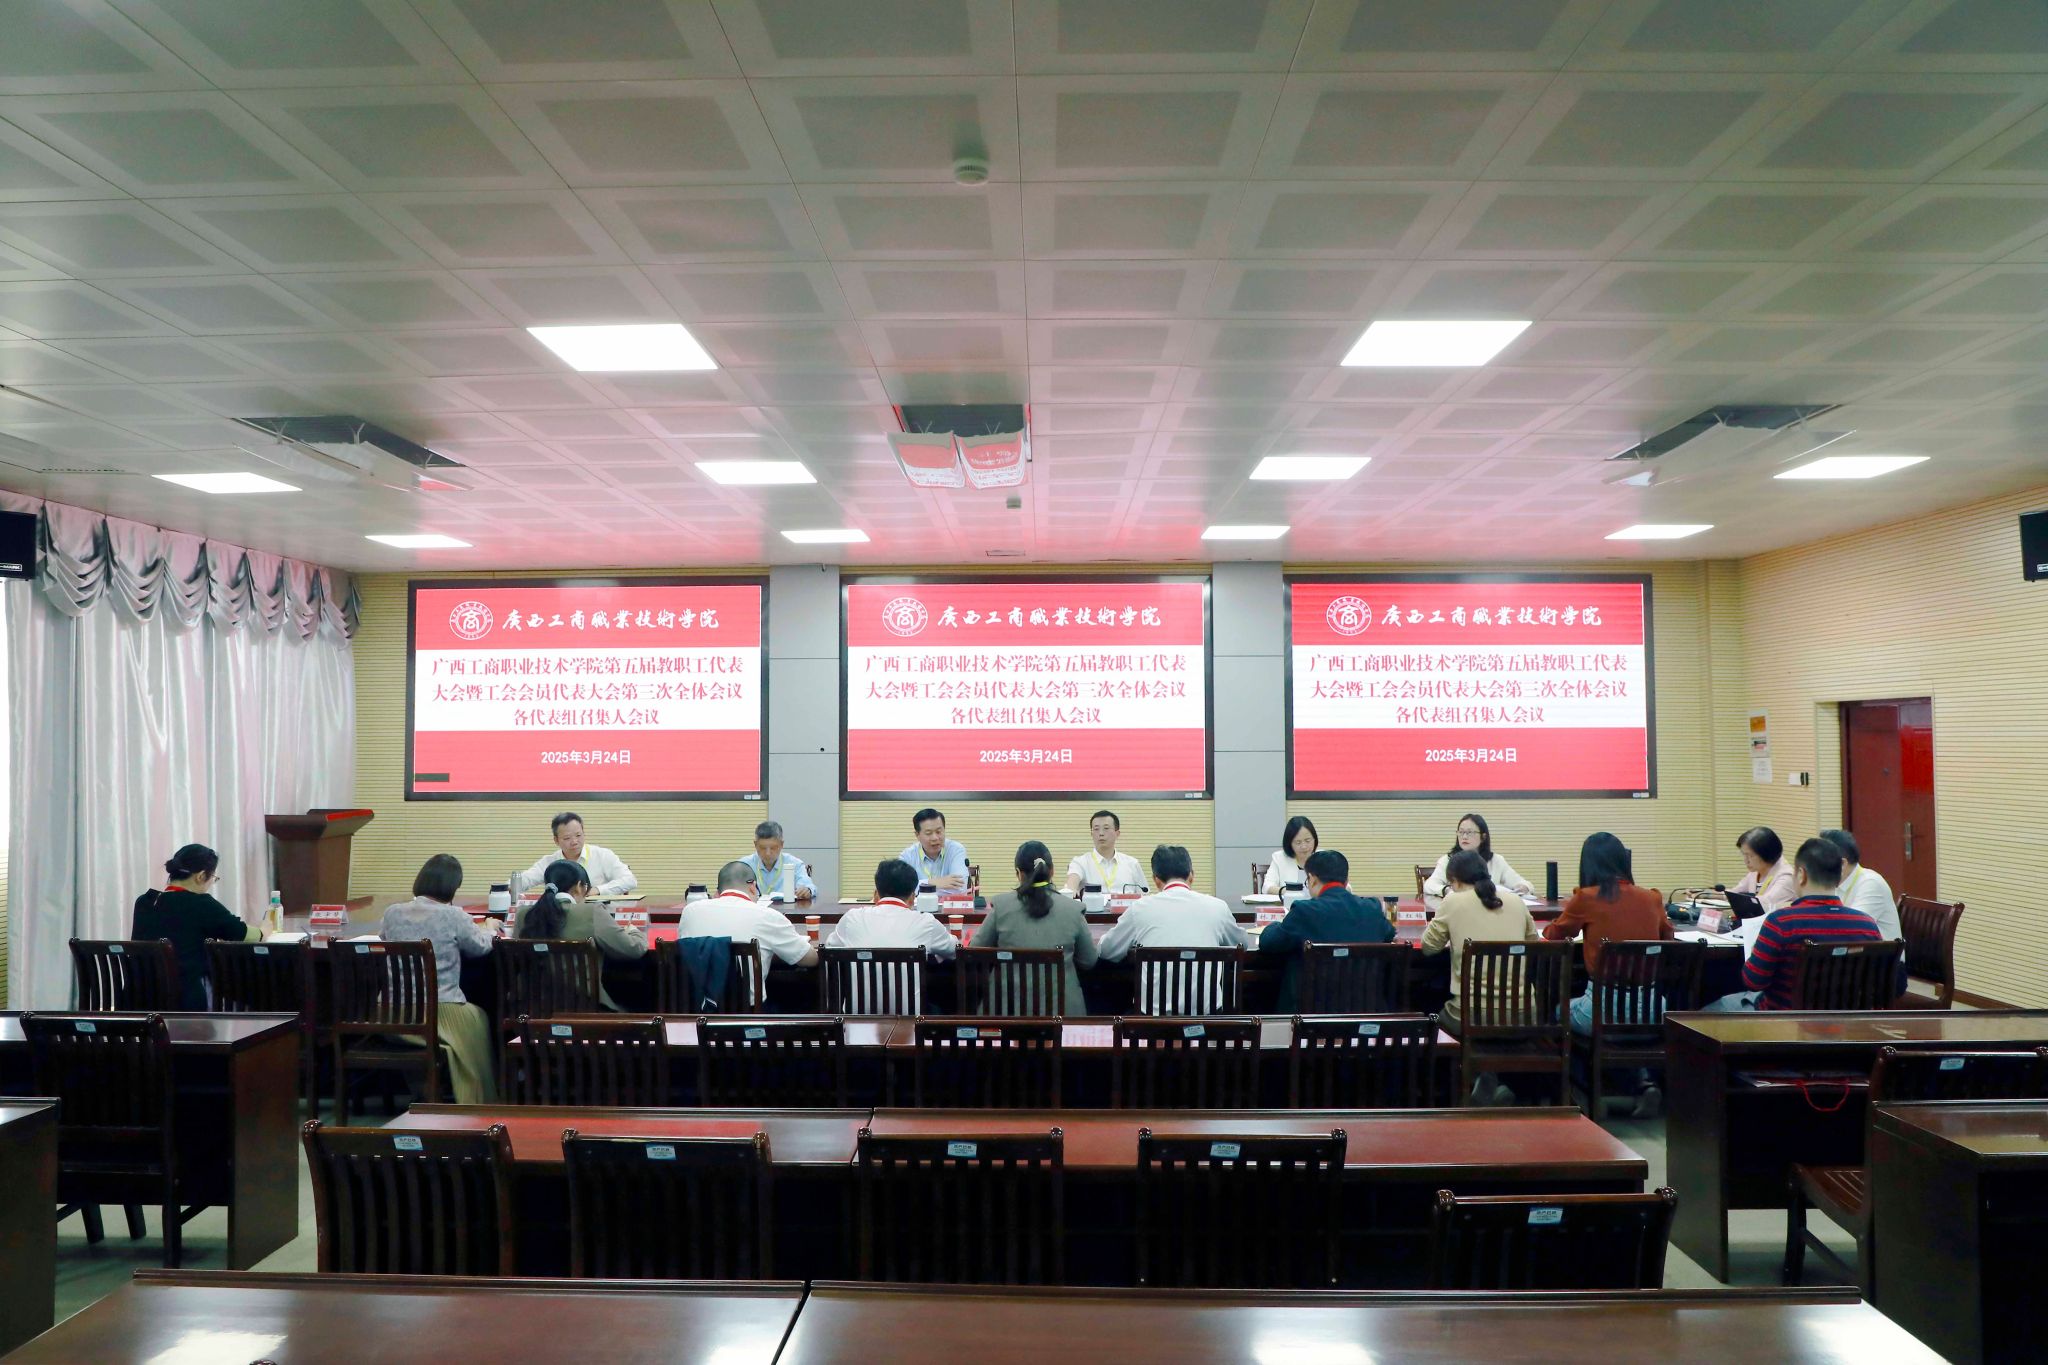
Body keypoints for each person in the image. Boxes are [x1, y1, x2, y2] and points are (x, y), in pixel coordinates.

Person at [1544, 833, 1674, 1118]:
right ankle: (1644, 1083)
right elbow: (1668, 938)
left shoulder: (1586, 898)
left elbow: (1553, 935)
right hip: (1653, 1010)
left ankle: (1582, 1092)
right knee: (1625, 1032)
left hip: (1603, 1009)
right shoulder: (1652, 898)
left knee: (1557, 1013)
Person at [1706, 837, 1882, 1012]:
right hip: (1848, 1024)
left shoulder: (1781, 922)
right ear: (1839, 876)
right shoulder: (1867, 925)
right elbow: (1880, 983)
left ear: (1801, 875)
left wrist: (1754, 951)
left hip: (1784, 1022)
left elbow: (1753, 981)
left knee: (1708, 1013)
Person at [1419, 848, 1538, 1105]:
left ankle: (1466, 1085)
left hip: (1470, 1014)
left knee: (1432, 1015)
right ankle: (1489, 1080)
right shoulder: (1516, 902)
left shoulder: (1453, 901)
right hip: (1522, 1013)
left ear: (1455, 881)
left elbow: (1428, 948)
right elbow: (1534, 944)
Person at [379, 854, 498, 1103]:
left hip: (392, 1014)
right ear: (452, 887)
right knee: (480, 1018)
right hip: (440, 1012)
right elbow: (480, 948)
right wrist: (489, 929)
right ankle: (476, 1099)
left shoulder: (392, 913)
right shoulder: (454, 916)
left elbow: (383, 938)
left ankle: (422, 1093)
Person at [1254, 849, 1394, 1011]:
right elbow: (1389, 933)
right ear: (1346, 880)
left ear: (1312, 879)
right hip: (1365, 1015)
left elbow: (1268, 942)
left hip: (1310, 1018)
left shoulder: (1304, 911)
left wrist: (1276, 925)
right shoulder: (1371, 908)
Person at [976, 840, 1099, 1016]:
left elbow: (976, 951)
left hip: (1006, 1015)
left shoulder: (1001, 906)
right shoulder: (1073, 909)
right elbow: (1089, 961)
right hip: (1063, 1017)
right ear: (1052, 871)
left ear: (1019, 873)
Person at [131, 842, 257, 1011]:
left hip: (139, 997)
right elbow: (243, 934)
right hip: (186, 1001)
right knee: (248, 1002)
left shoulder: (144, 902)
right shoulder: (201, 903)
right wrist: (266, 928)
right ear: (201, 876)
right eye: (213, 878)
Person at [514, 858, 647, 1011]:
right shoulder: (591, 912)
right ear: (579, 886)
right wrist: (634, 931)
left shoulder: (523, 915)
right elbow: (633, 948)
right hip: (583, 1008)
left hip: (530, 1009)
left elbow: (517, 956)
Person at [826, 860, 959, 1011]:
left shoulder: (851, 918)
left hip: (856, 1020)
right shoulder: (926, 922)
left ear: (876, 894)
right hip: (911, 1021)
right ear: (912, 898)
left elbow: (829, 951)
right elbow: (955, 950)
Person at [672, 860, 818, 987]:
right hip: (746, 1008)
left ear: (718, 891)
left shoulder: (690, 911)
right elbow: (809, 959)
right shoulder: (768, 916)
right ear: (753, 886)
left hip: (693, 1005)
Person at [1422, 813, 1534, 911]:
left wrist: (1523, 887)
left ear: (1483, 836)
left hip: (1490, 912)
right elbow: (1429, 885)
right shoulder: (1448, 860)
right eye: (1461, 832)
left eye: (1470, 832)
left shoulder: (1496, 860)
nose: (1464, 836)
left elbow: (1524, 884)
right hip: (1459, 910)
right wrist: (1446, 890)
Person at [511, 811, 635, 897]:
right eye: (567, 838)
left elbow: (629, 880)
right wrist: (507, 887)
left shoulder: (603, 855)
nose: (574, 842)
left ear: (584, 833)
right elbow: (526, 879)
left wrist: (598, 890)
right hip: (561, 918)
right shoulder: (550, 862)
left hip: (597, 915)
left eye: (578, 835)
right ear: (556, 840)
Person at [1819, 828, 1902, 941]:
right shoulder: (1834, 883)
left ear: (1842, 864)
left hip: (1879, 951)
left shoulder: (1871, 883)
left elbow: (1853, 928)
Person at [1063, 809, 1146, 897]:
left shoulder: (1132, 864)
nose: (1101, 833)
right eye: (1096, 829)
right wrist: (1071, 890)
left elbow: (1144, 895)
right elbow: (1071, 884)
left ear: (1117, 833)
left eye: (1106, 828)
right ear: (1091, 834)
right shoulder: (1080, 862)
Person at [741, 821, 816, 904]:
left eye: (773, 848)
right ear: (755, 844)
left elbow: (809, 886)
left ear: (781, 844)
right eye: (763, 848)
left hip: (786, 910)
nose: (768, 853)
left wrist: (807, 890)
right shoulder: (743, 865)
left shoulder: (795, 864)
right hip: (754, 910)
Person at [899, 807, 970, 891]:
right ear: (917, 835)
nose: (935, 838)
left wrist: (921, 886)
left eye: (938, 832)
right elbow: (901, 889)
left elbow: (960, 888)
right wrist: (932, 883)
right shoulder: (907, 856)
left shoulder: (956, 850)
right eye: (928, 833)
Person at [1729, 826, 1795, 914]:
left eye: (1750, 855)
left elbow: (1765, 904)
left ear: (1766, 853)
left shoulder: (1786, 877)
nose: (1746, 860)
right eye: (1744, 854)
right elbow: (1735, 893)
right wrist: (1715, 895)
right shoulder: (1756, 871)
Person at [1260, 816, 1319, 894]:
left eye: (1308, 841)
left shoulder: (1322, 858)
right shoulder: (1280, 858)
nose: (1304, 846)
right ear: (1289, 843)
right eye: (1298, 842)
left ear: (1314, 839)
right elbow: (1266, 887)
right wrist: (1290, 892)